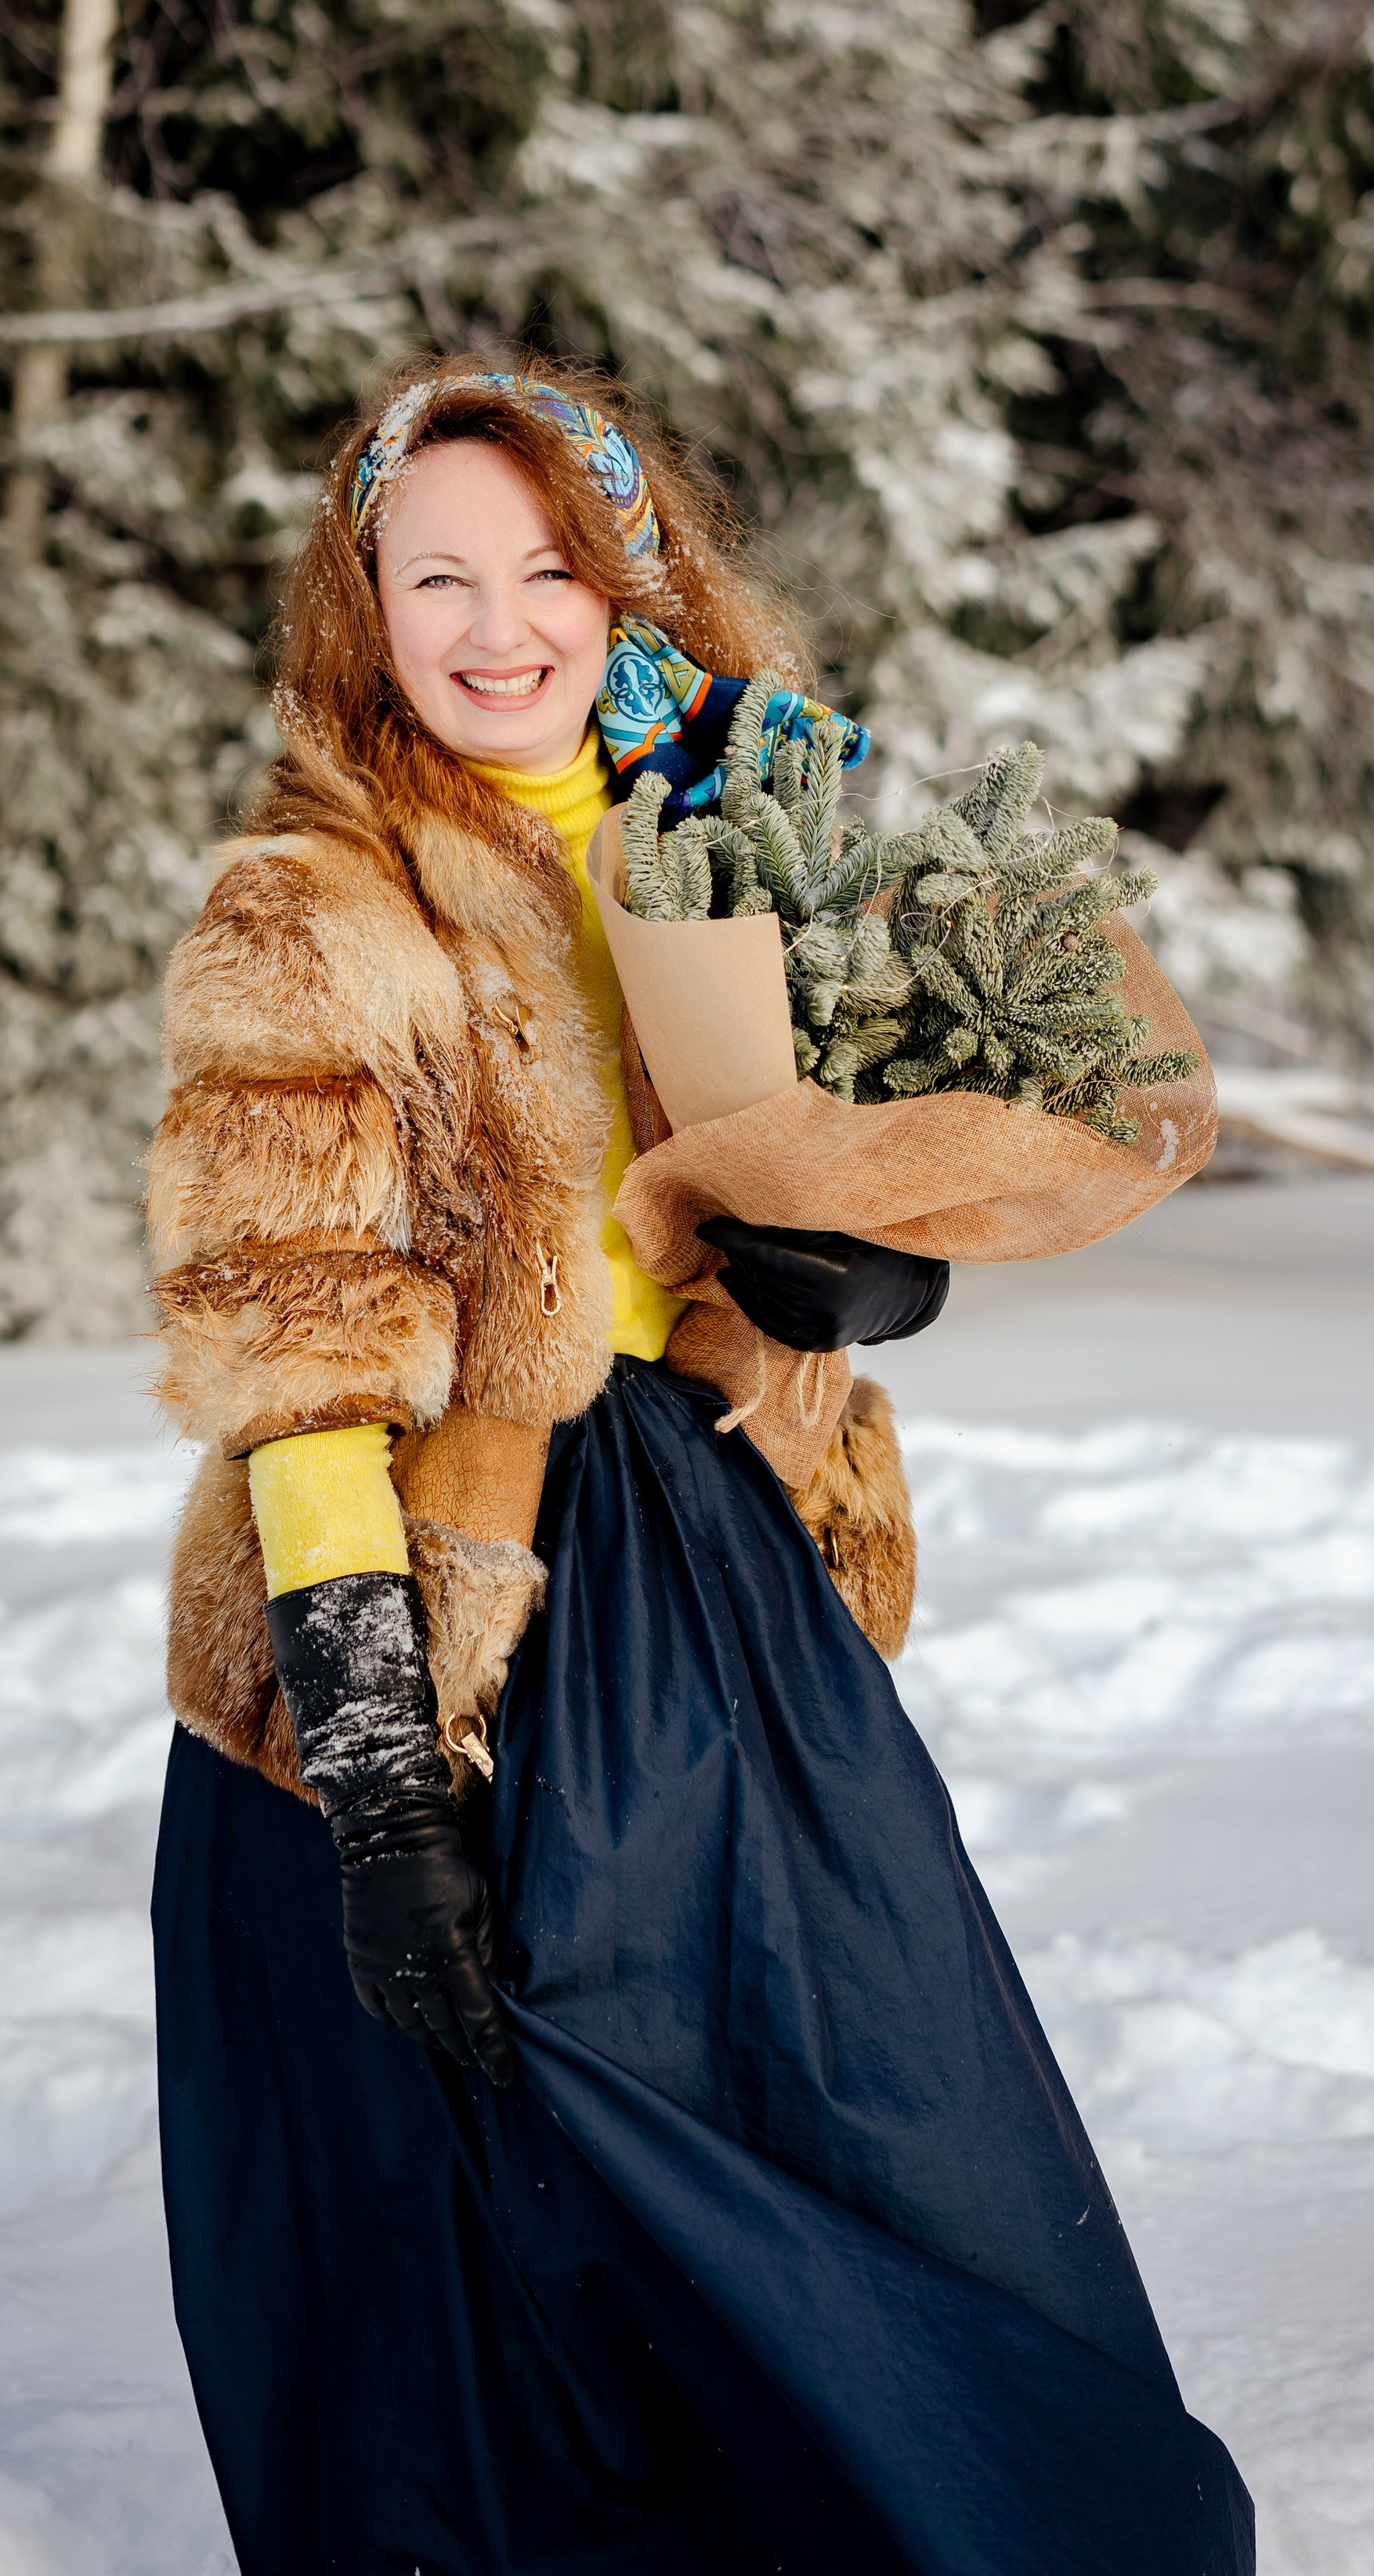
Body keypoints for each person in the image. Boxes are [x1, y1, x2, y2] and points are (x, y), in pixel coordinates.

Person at [146, 357, 1254, 2576]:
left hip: (723, 1583)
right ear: (365, 599)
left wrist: (863, 1272)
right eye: (434, 572)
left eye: (545, 566)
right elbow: (299, 1371)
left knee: (870, 2104)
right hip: (439, 1599)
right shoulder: (308, 906)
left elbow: (845, 1171)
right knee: (486, 2198)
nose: (494, 625)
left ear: (627, 578)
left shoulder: (742, 824)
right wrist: (379, 1778)